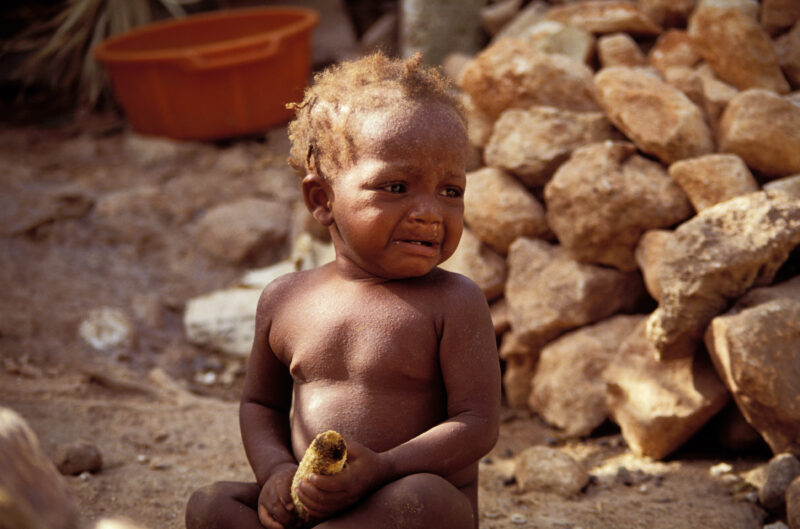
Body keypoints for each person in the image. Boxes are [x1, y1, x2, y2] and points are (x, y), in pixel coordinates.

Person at [185, 52, 501, 529]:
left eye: (450, 191)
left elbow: (477, 425)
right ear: (322, 199)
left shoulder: (454, 302)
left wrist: (384, 468)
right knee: (211, 504)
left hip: (405, 503)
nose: (430, 212)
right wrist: (276, 472)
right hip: (315, 504)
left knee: (424, 497)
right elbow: (261, 405)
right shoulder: (285, 300)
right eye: (397, 187)